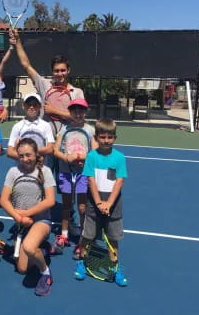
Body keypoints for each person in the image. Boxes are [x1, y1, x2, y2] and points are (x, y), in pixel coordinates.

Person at [74, 118, 128, 286]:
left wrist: (109, 204)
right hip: (94, 204)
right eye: (102, 137)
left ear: (115, 138)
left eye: (109, 137)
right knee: (87, 236)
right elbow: (90, 180)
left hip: (114, 206)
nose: (106, 140)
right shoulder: (91, 156)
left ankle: (114, 268)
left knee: (113, 238)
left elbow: (119, 182)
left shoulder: (119, 157)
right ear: (96, 137)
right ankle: (82, 262)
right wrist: (98, 203)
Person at [0, 138, 56, 297]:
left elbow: (50, 200)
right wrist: (19, 218)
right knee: (22, 269)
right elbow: (3, 200)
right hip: (22, 223)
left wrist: (25, 214)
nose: (25, 159)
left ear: (36, 153)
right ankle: (43, 249)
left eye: (28, 155)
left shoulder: (45, 171)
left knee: (30, 247)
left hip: (41, 221)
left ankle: (46, 273)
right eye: (21, 155)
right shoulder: (13, 172)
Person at [10, 29, 85, 136]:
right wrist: (17, 41)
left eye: (63, 70)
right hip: (45, 138)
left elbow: (78, 116)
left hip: (67, 138)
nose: (60, 74)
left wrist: (54, 111)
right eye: (56, 71)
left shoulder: (77, 92)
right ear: (52, 72)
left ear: (68, 70)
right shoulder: (44, 84)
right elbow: (26, 65)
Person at [52, 99, 98, 256]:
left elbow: (95, 152)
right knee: (66, 206)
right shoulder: (64, 129)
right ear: (70, 112)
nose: (78, 113)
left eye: (81, 110)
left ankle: (83, 238)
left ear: (86, 111)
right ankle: (64, 235)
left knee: (82, 207)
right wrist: (66, 158)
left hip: (82, 174)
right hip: (66, 173)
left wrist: (85, 157)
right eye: (74, 111)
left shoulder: (90, 130)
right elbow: (56, 150)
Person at [7, 93, 54, 160]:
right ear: (23, 106)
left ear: (40, 107)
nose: (31, 107)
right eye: (28, 104)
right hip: (22, 169)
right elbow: (10, 152)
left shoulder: (46, 125)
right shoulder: (17, 126)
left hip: (41, 168)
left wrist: (28, 153)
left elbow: (50, 149)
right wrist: (30, 158)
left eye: (35, 105)